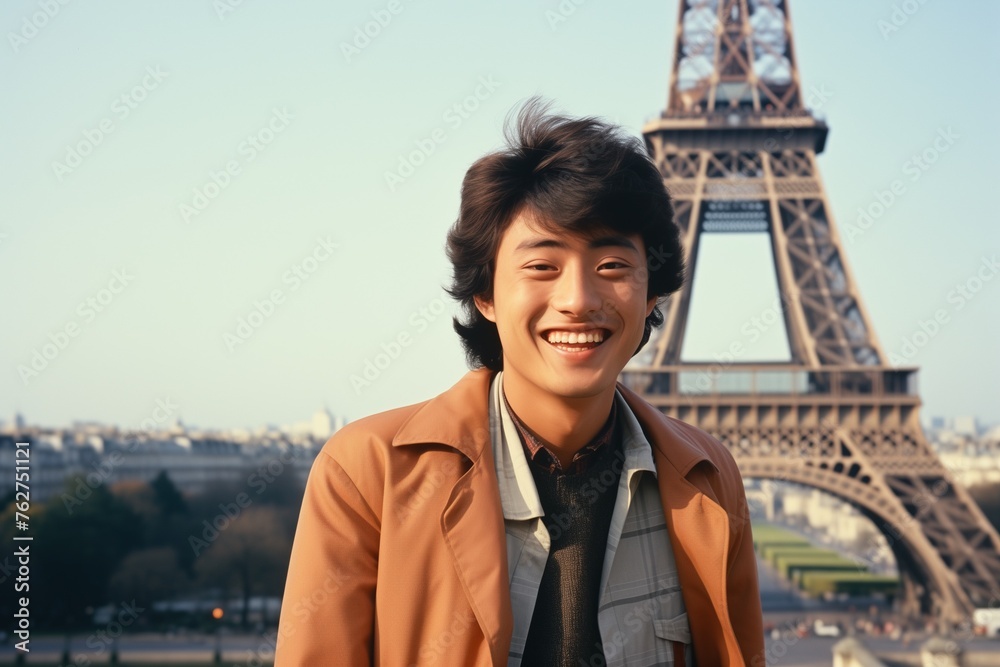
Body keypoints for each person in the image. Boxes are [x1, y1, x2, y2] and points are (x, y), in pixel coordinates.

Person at [275, 99, 765, 666]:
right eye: (541, 267)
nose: (578, 299)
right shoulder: (368, 472)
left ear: (652, 293)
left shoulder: (711, 476)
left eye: (611, 266)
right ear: (484, 295)